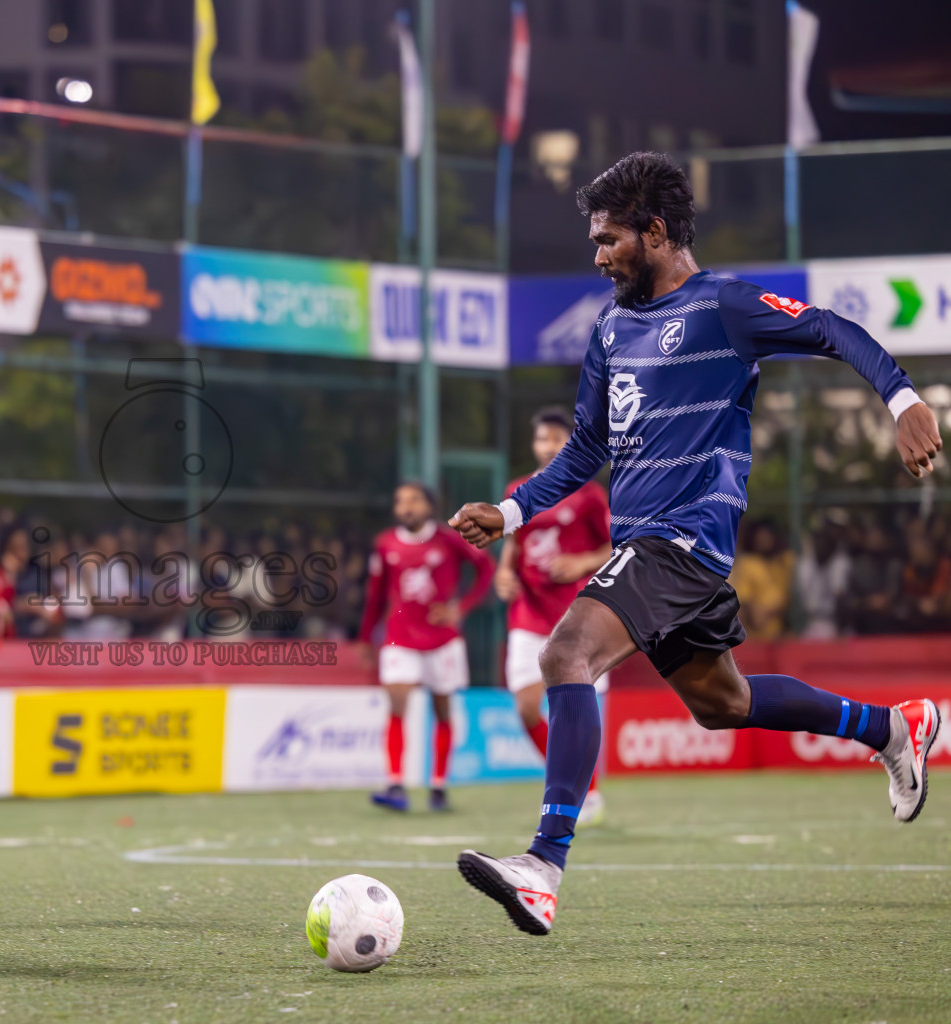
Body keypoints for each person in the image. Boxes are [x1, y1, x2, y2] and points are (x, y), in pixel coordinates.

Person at [448, 153, 944, 936]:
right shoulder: (611, 327)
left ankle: (543, 865)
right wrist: (510, 514)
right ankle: (892, 727)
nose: (598, 253)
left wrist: (903, 398)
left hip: (679, 541)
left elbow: (831, 328)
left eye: (609, 238)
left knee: (563, 655)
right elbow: (585, 450)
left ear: (654, 231)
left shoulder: (726, 306)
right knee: (725, 704)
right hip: (662, 551)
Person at [495, 407, 613, 826]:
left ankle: (587, 792)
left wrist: (581, 561)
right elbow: (513, 541)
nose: (547, 446)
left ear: (570, 443)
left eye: (556, 439)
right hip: (528, 611)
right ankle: (570, 783)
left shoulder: (589, 495)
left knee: (575, 713)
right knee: (528, 708)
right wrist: (504, 571)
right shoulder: (519, 488)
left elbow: (615, 546)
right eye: (541, 439)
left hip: (578, 615)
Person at [359, 481, 495, 812]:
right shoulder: (386, 544)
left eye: (414, 500)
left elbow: (486, 569)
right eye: (400, 501)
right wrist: (366, 637)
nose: (406, 507)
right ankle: (395, 784)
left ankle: (438, 787)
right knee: (396, 701)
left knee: (442, 709)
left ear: (429, 507)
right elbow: (375, 595)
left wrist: (459, 608)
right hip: (399, 638)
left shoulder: (449, 540)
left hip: (441, 641)